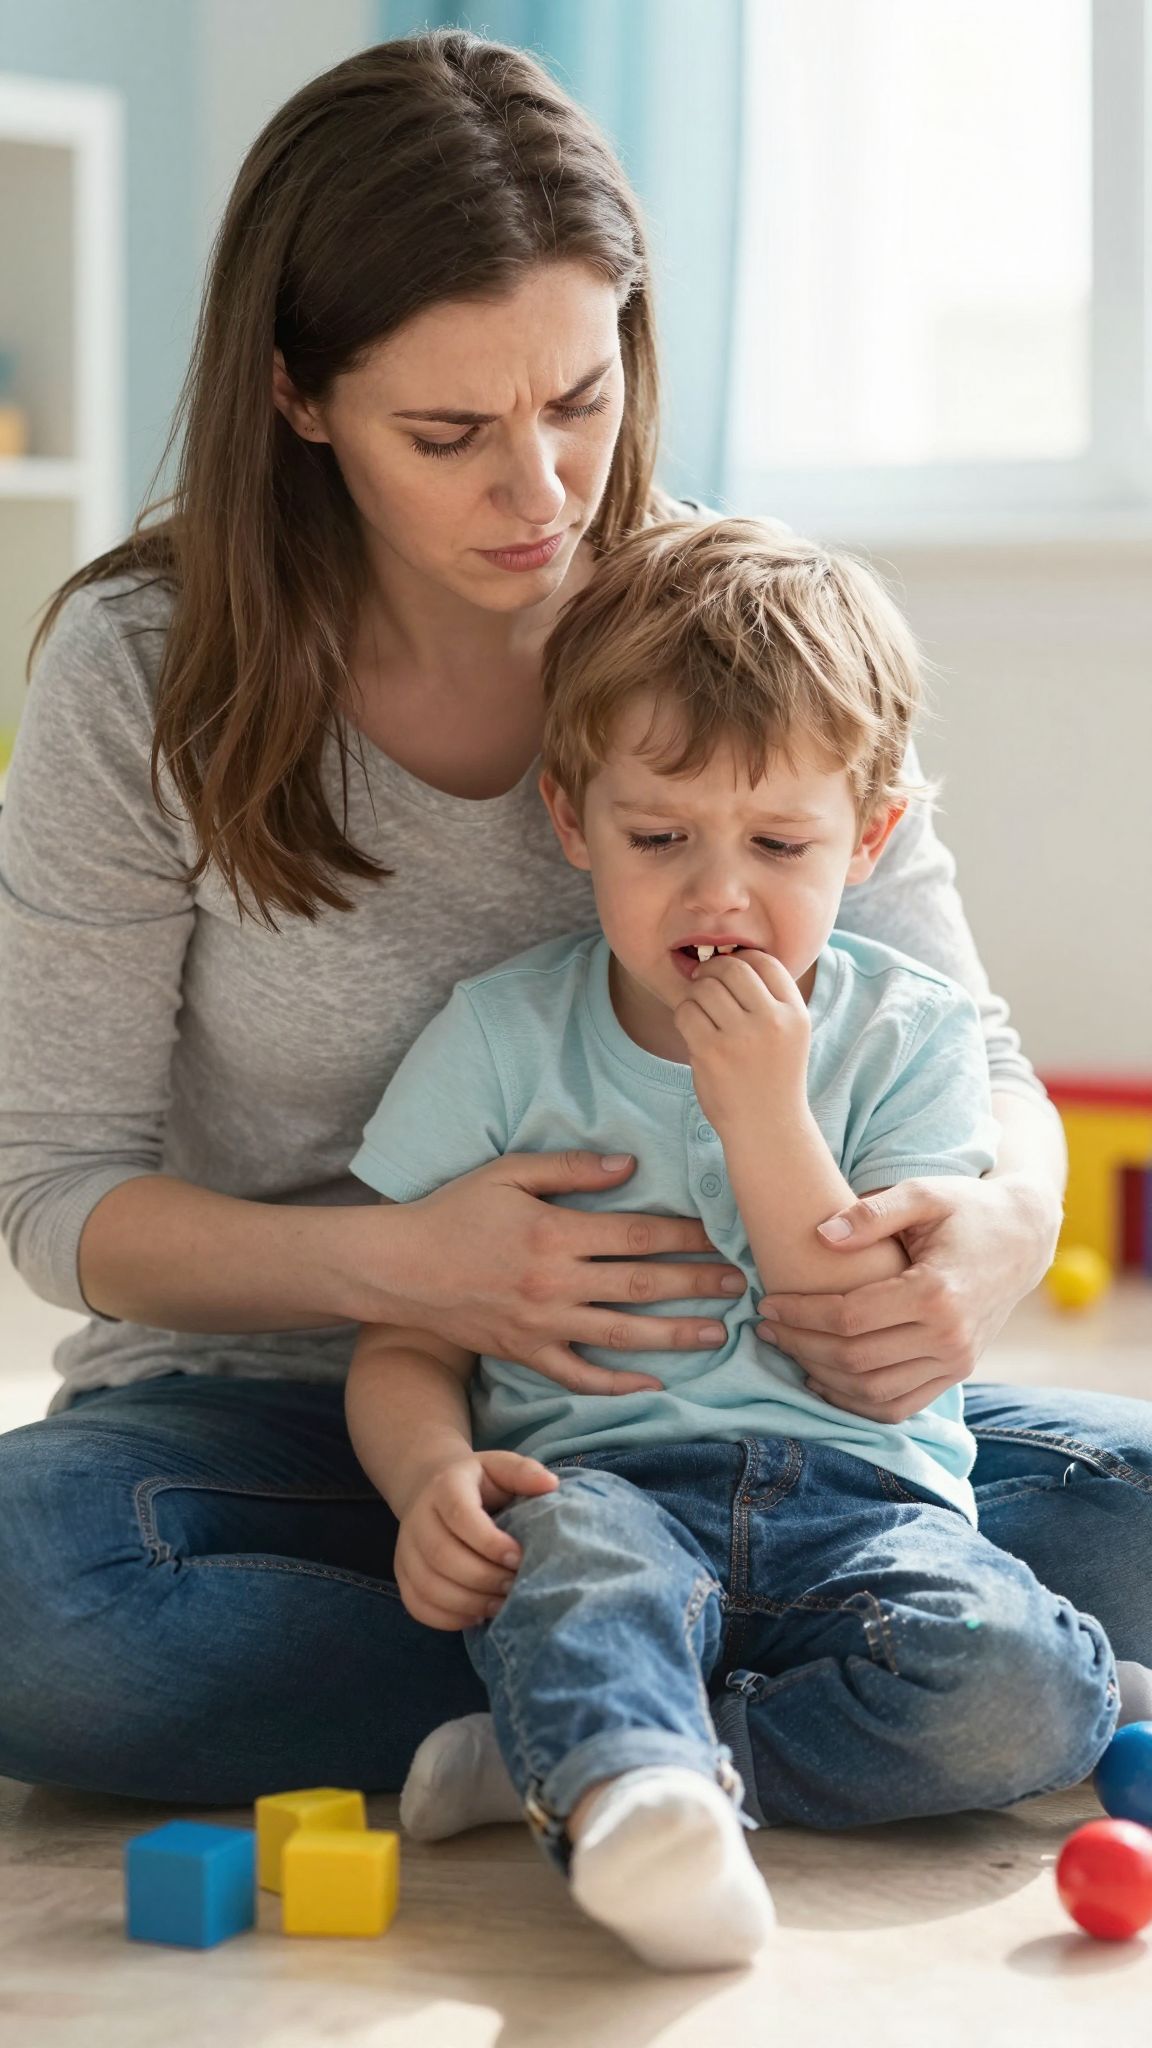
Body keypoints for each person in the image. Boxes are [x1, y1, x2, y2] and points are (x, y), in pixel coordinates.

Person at [0, 30, 1149, 1809]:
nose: (542, 496)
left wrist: (999, 1221)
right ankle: (779, 1675)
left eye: (580, 401)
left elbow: (967, 1050)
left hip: (763, 1422)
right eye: (449, 432)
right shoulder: (145, 673)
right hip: (315, 1419)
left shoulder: (719, 628)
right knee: (43, 1611)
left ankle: (616, 1687)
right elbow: (52, 1196)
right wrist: (407, 1270)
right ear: (300, 398)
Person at [340, 516, 1131, 1972]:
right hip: (607, 1486)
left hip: (866, 1499)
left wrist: (764, 1104)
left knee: (1009, 1693)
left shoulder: (908, 1037)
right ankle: (624, 1785)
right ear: (573, 821)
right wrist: (428, 1477)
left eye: (778, 844)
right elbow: (402, 1332)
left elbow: (870, 1353)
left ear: (870, 836)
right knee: (576, 1573)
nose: (718, 895)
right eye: (659, 839)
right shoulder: (502, 1037)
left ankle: (576, 1756)